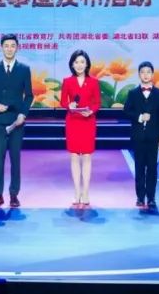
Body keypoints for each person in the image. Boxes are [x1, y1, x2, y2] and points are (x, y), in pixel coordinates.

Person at [0, 34, 33, 208]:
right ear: (1, 48)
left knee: (15, 159)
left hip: (17, 121)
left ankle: (14, 195)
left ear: (17, 48)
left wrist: (23, 114)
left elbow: (29, 96)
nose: (9, 49)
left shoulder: (24, 69)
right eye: (6, 45)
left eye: (12, 45)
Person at [122, 61, 159, 210]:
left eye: (148, 72)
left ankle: (151, 198)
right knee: (139, 167)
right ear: (139, 74)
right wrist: (140, 117)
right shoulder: (133, 93)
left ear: (152, 74)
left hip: (154, 137)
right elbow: (126, 111)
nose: (146, 75)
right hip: (138, 137)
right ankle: (140, 197)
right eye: (143, 72)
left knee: (152, 168)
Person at [60, 49, 101, 208]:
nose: (79, 65)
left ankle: (86, 192)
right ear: (72, 64)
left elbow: (97, 103)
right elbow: (63, 102)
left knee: (87, 156)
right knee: (75, 157)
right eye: (76, 62)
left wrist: (91, 111)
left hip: (88, 121)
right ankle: (77, 192)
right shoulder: (67, 81)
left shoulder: (94, 82)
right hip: (73, 121)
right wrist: (69, 105)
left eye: (82, 62)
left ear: (87, 64)